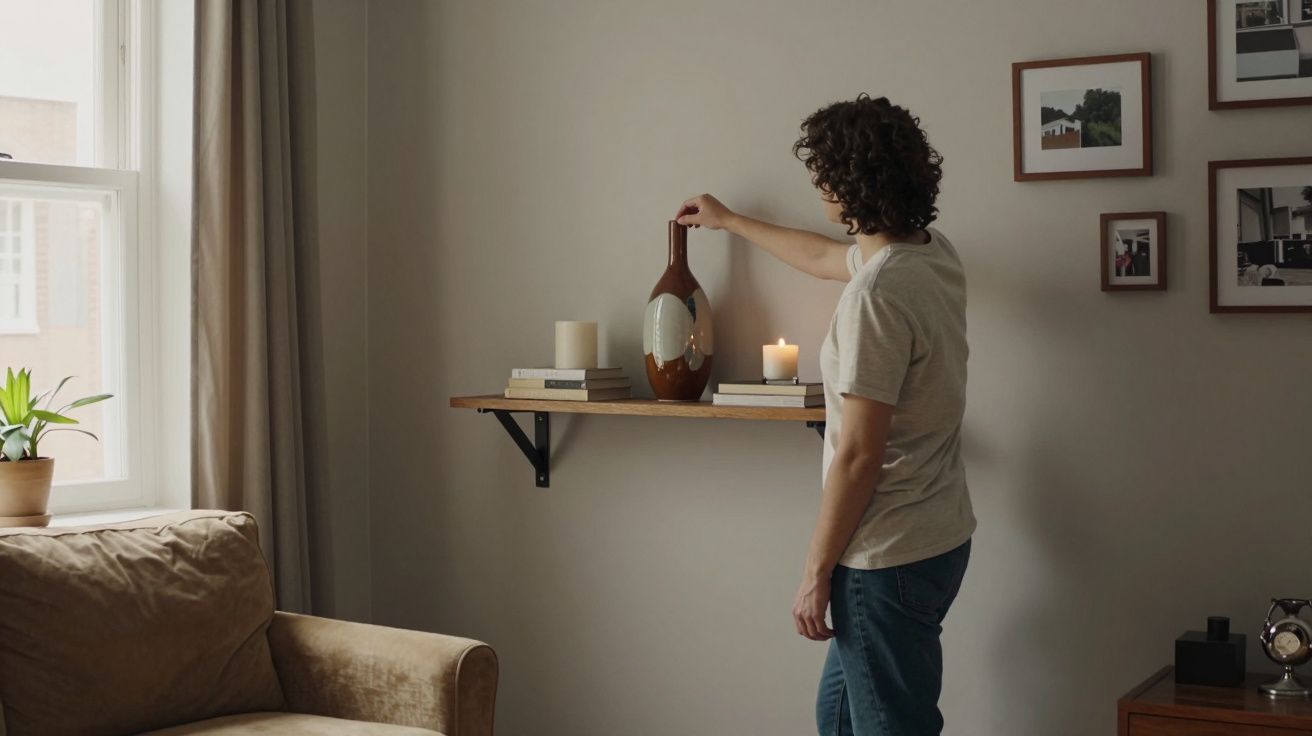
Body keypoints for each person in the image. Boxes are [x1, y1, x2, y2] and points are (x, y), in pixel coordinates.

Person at [675, 94, 974, 736]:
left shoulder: (877, 295)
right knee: (837, 717)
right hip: (939, 536)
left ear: (850, 181)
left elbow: (860, 455)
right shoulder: (929, 254)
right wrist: (730, 221)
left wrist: (815, 574)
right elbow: (818, 257)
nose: (817, 187)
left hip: (884, 557)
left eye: (823, 174)